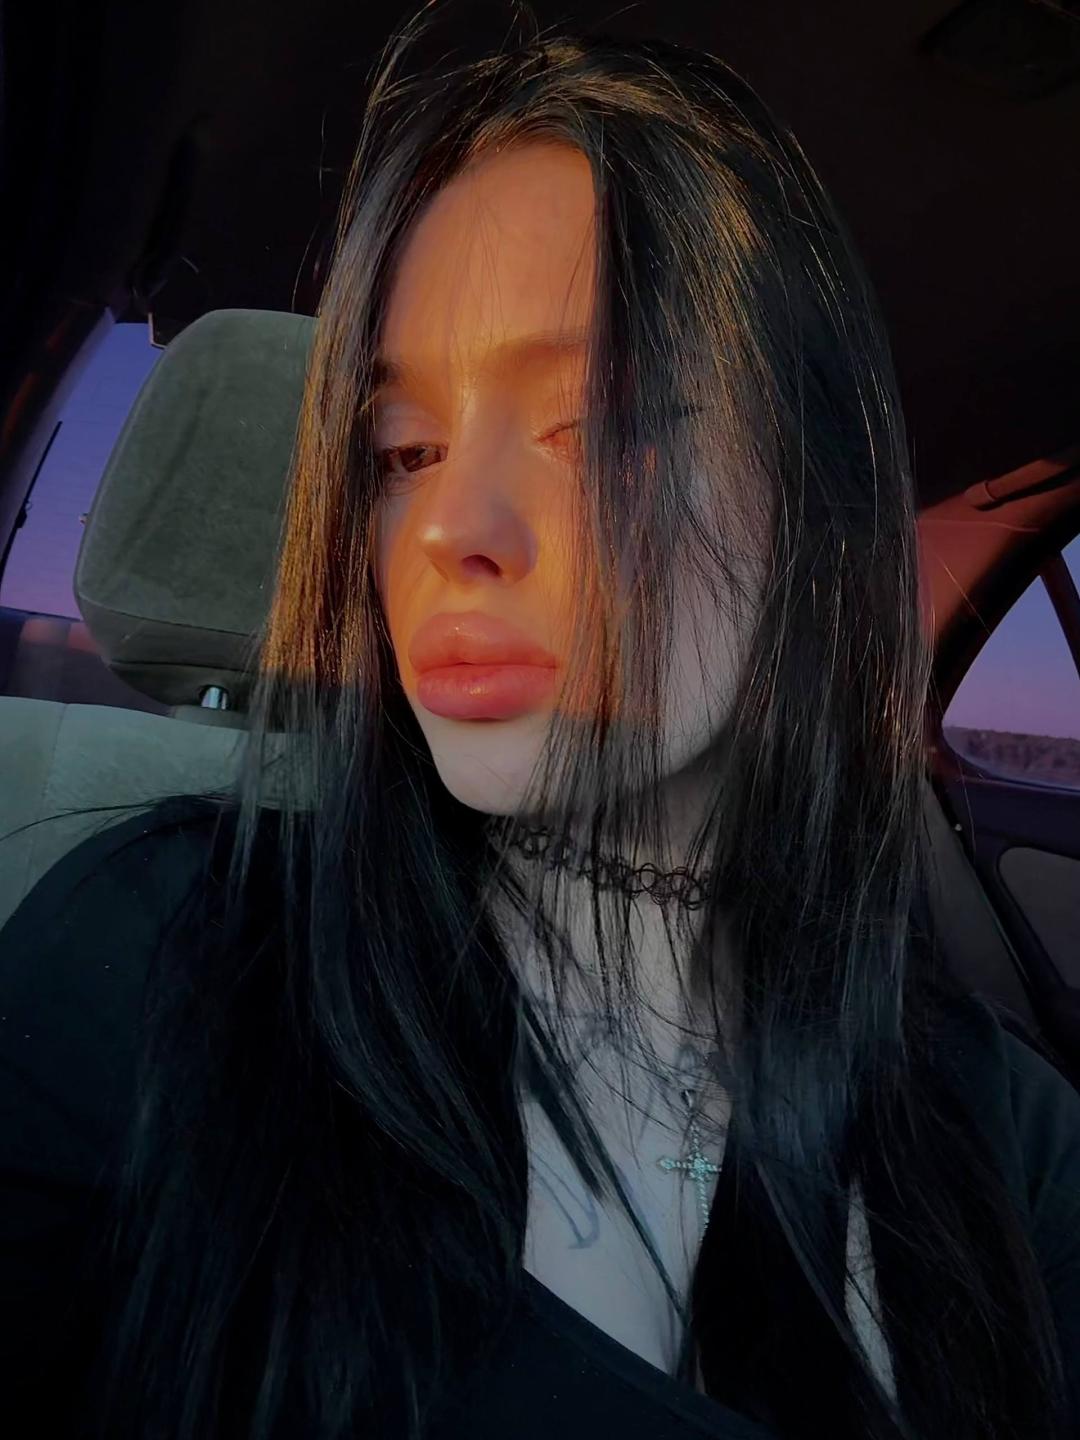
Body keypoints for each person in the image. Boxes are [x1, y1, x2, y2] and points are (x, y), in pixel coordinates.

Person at [1, 13, 1078, 1440]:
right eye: (402, 452)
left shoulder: (998, 1130)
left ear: (817, 515)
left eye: (600, 425)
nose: (446, 527)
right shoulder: (158, 967)